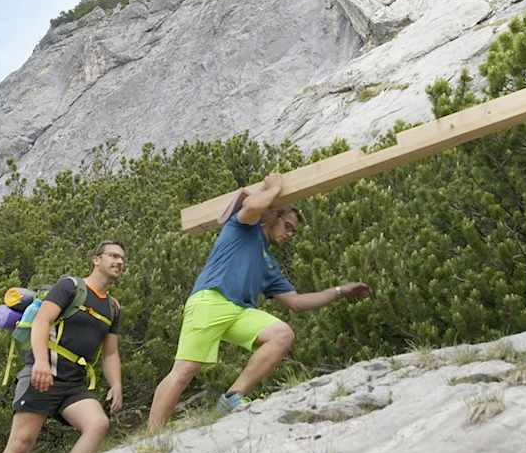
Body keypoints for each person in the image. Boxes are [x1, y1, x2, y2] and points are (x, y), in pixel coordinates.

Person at [148, 173, 370, 430]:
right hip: (211, 300)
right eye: (287, 226)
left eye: (294, 231)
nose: (290, 234)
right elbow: (253, 205)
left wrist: (340, 290)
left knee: (281, 334)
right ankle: (153, 435)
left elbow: (296, 302)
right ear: (274, 216)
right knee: (185, 370)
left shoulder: (268, 264)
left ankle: (232, 397)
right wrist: (274, 187)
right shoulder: (243, 227)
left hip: (240, 311)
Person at [0, 241, 126, 453]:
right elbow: (42, 321)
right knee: (21, 443)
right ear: (96, 259)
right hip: (44, 372)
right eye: (113, 256)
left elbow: (110, 353)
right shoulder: (70, 287)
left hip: (74, 382)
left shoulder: (113, 307)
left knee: (97, 424)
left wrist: (116, 384)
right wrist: (41, 362)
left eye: (122, 259)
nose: (119, 262)